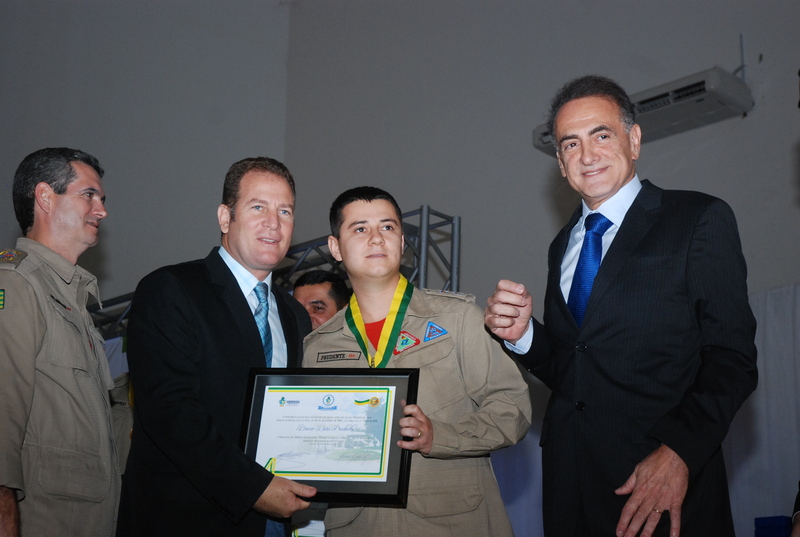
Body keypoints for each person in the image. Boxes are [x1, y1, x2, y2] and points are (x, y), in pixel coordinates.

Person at [484, 75, 758, 537]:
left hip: (661, 483)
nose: (587, 155)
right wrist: (525, 335)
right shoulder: (561, 246)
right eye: (571, 143)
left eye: (602, 135)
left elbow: (732, 359)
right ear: (560, 162)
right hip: (571, 488)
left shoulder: (696, 218)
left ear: (634, 140)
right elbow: (577, 369)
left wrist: (679, 452)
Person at [303, 186, 532, 536]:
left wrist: (440, 436)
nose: (376, 238)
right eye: (360, 228)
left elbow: (513, 409)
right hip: (357, 525)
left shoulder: (457, 319)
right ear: (335, 247)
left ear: (402, 242)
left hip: (452, 522)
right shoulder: (318, 346)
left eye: (387, 227)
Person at [117, 157, 316, 537]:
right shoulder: (171, 289)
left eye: (285, 211)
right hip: (186, 520)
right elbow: (170, 411)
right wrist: (253, 487)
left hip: (275, 519)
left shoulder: (294, 314)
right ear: (226, 218)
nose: (273, 223)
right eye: (258, 207)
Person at [0, 147, 120, 536]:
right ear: (45, 197)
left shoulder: (72, 299)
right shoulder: (15, 282)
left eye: (102, 198)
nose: (101, 210)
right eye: (89, 195)